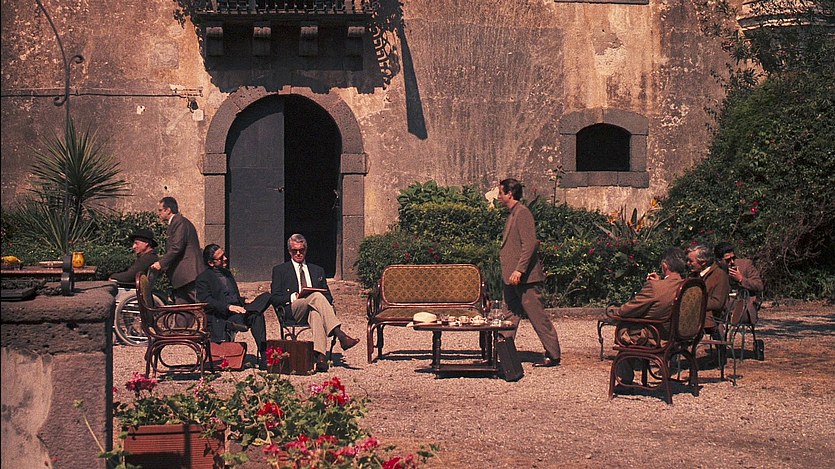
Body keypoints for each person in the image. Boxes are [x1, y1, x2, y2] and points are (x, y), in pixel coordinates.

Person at [270, 234, 359, 372]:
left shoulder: (317, 270)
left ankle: (320, 357)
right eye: (294, 251)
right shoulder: (280, 270)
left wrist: (320, 300)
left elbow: (328, 297)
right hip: (293, 310)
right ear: (289, 251)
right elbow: (275, 298)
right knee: (316, 295)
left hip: (314, 308)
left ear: (306, 250)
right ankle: (340, 334)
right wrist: (294, 296)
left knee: (316, 313)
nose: (298, 253)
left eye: (301, 250)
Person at [497, 178, 561, 367]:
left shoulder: (523, 213)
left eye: (501, 192)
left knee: (537, 315)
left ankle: (553, 354)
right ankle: (503, 353)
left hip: (525, 278)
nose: (499, 196)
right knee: (509, 315)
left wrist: (519, 269)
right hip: (511, 277)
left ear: (509, 194)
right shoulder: (513, 213)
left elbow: (529, 244)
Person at [607, 247, 688, 383]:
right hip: (682, 337)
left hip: (658, 337)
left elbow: (625, 311)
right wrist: (660, 281)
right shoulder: (688, 285)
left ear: (665, 266)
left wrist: (612, 311)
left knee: (625, 330)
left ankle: (625, 380)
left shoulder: (655, 287)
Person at [196, 244, 270, 368]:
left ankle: (264, 357)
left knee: (265, 300)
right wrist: (228, 307)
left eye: (224, 255)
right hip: (224, 315)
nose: (225, 258)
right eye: (221, 258)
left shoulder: (227, 273)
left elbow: (232, 295)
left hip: (240, 309)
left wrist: (244, 300)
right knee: (256, 313)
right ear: (211, 263)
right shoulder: (203, 278)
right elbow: (207, 300)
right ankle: (247, 314)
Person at [151, 196, 205, 304]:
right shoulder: (177, 222)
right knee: (182, 306)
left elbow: (177, 247)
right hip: (183, 276)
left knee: (202, 304)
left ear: (168, 210)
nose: (159, 214)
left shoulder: (179, 222)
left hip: (188, 275)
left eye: (160, 210)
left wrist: (161, 263)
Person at [715, 242, 764, 324]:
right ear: (719, 261)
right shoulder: (716, 270)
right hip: (723, 304)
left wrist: (741, 279)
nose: (732, 262)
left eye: (733, 258)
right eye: (727, 260)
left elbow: (759, 286)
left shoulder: (745, 265)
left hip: (744, 304)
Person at [686, 244, 730, 332]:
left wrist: (694, 302)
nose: (688, 263)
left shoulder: (719, 275)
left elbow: (717, 303)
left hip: (709, 319)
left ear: (703, 262)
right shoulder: (693, 275)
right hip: (692, 316)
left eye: (691, 261)